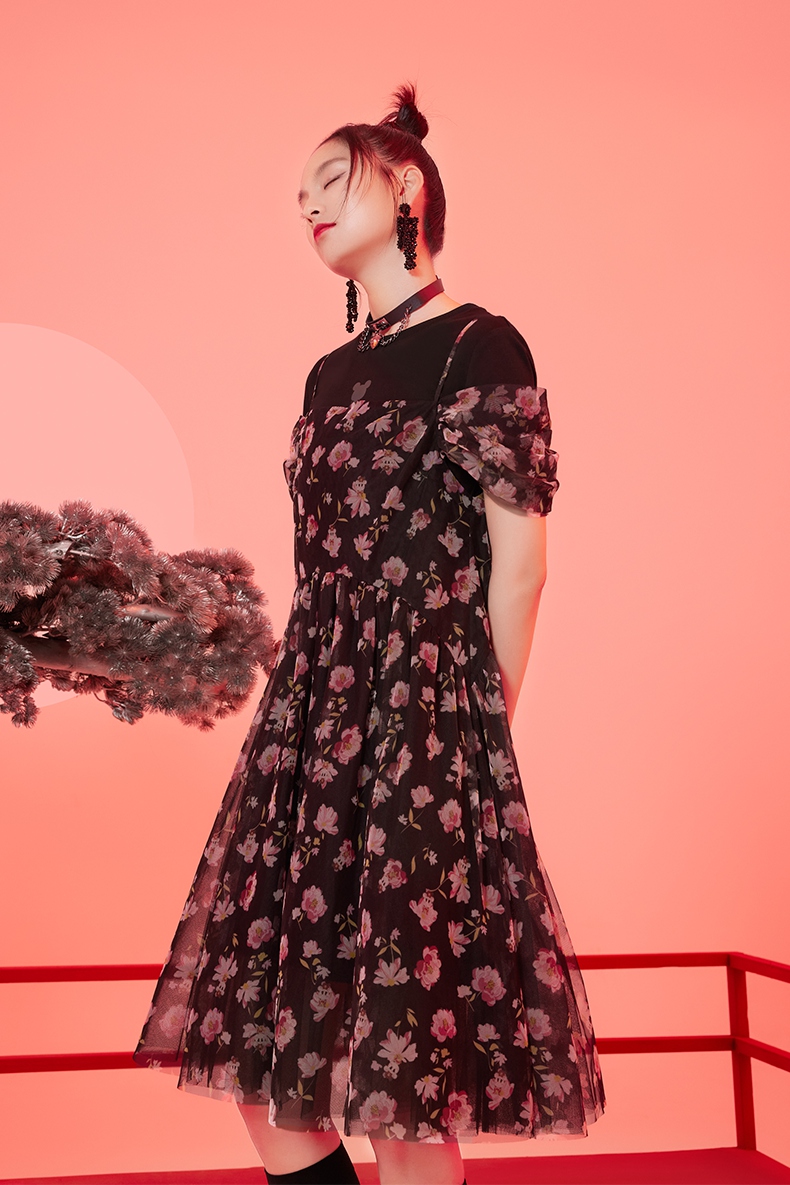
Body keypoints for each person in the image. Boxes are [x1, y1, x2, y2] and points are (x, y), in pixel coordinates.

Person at [134, 84, 606, 1185]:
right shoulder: (328, 372)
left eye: (327, 183)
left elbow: (523, 564)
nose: (305, 207)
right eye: (296, 195)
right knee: (262, 1049)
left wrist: (475, 734)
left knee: (403, 1072)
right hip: (312, 713)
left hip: (426, 715)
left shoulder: (481, 344)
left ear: (404, 188)